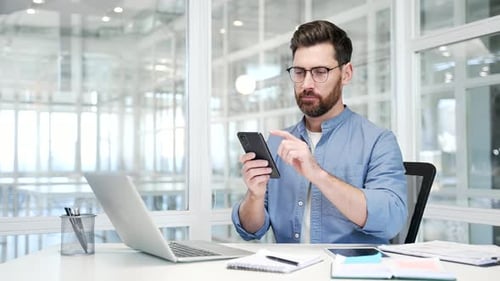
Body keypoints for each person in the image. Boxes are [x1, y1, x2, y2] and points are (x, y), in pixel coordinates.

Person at [231, 20, 407, 244]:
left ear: (346, 73)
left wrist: (318, 174)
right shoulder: (277, 143)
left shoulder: (378, 141)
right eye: (299, 72)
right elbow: (250, 230)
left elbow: (390, 221)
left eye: (320, 72)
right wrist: (254, 195)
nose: (306, 84)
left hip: (349, 275)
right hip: (289, 273)